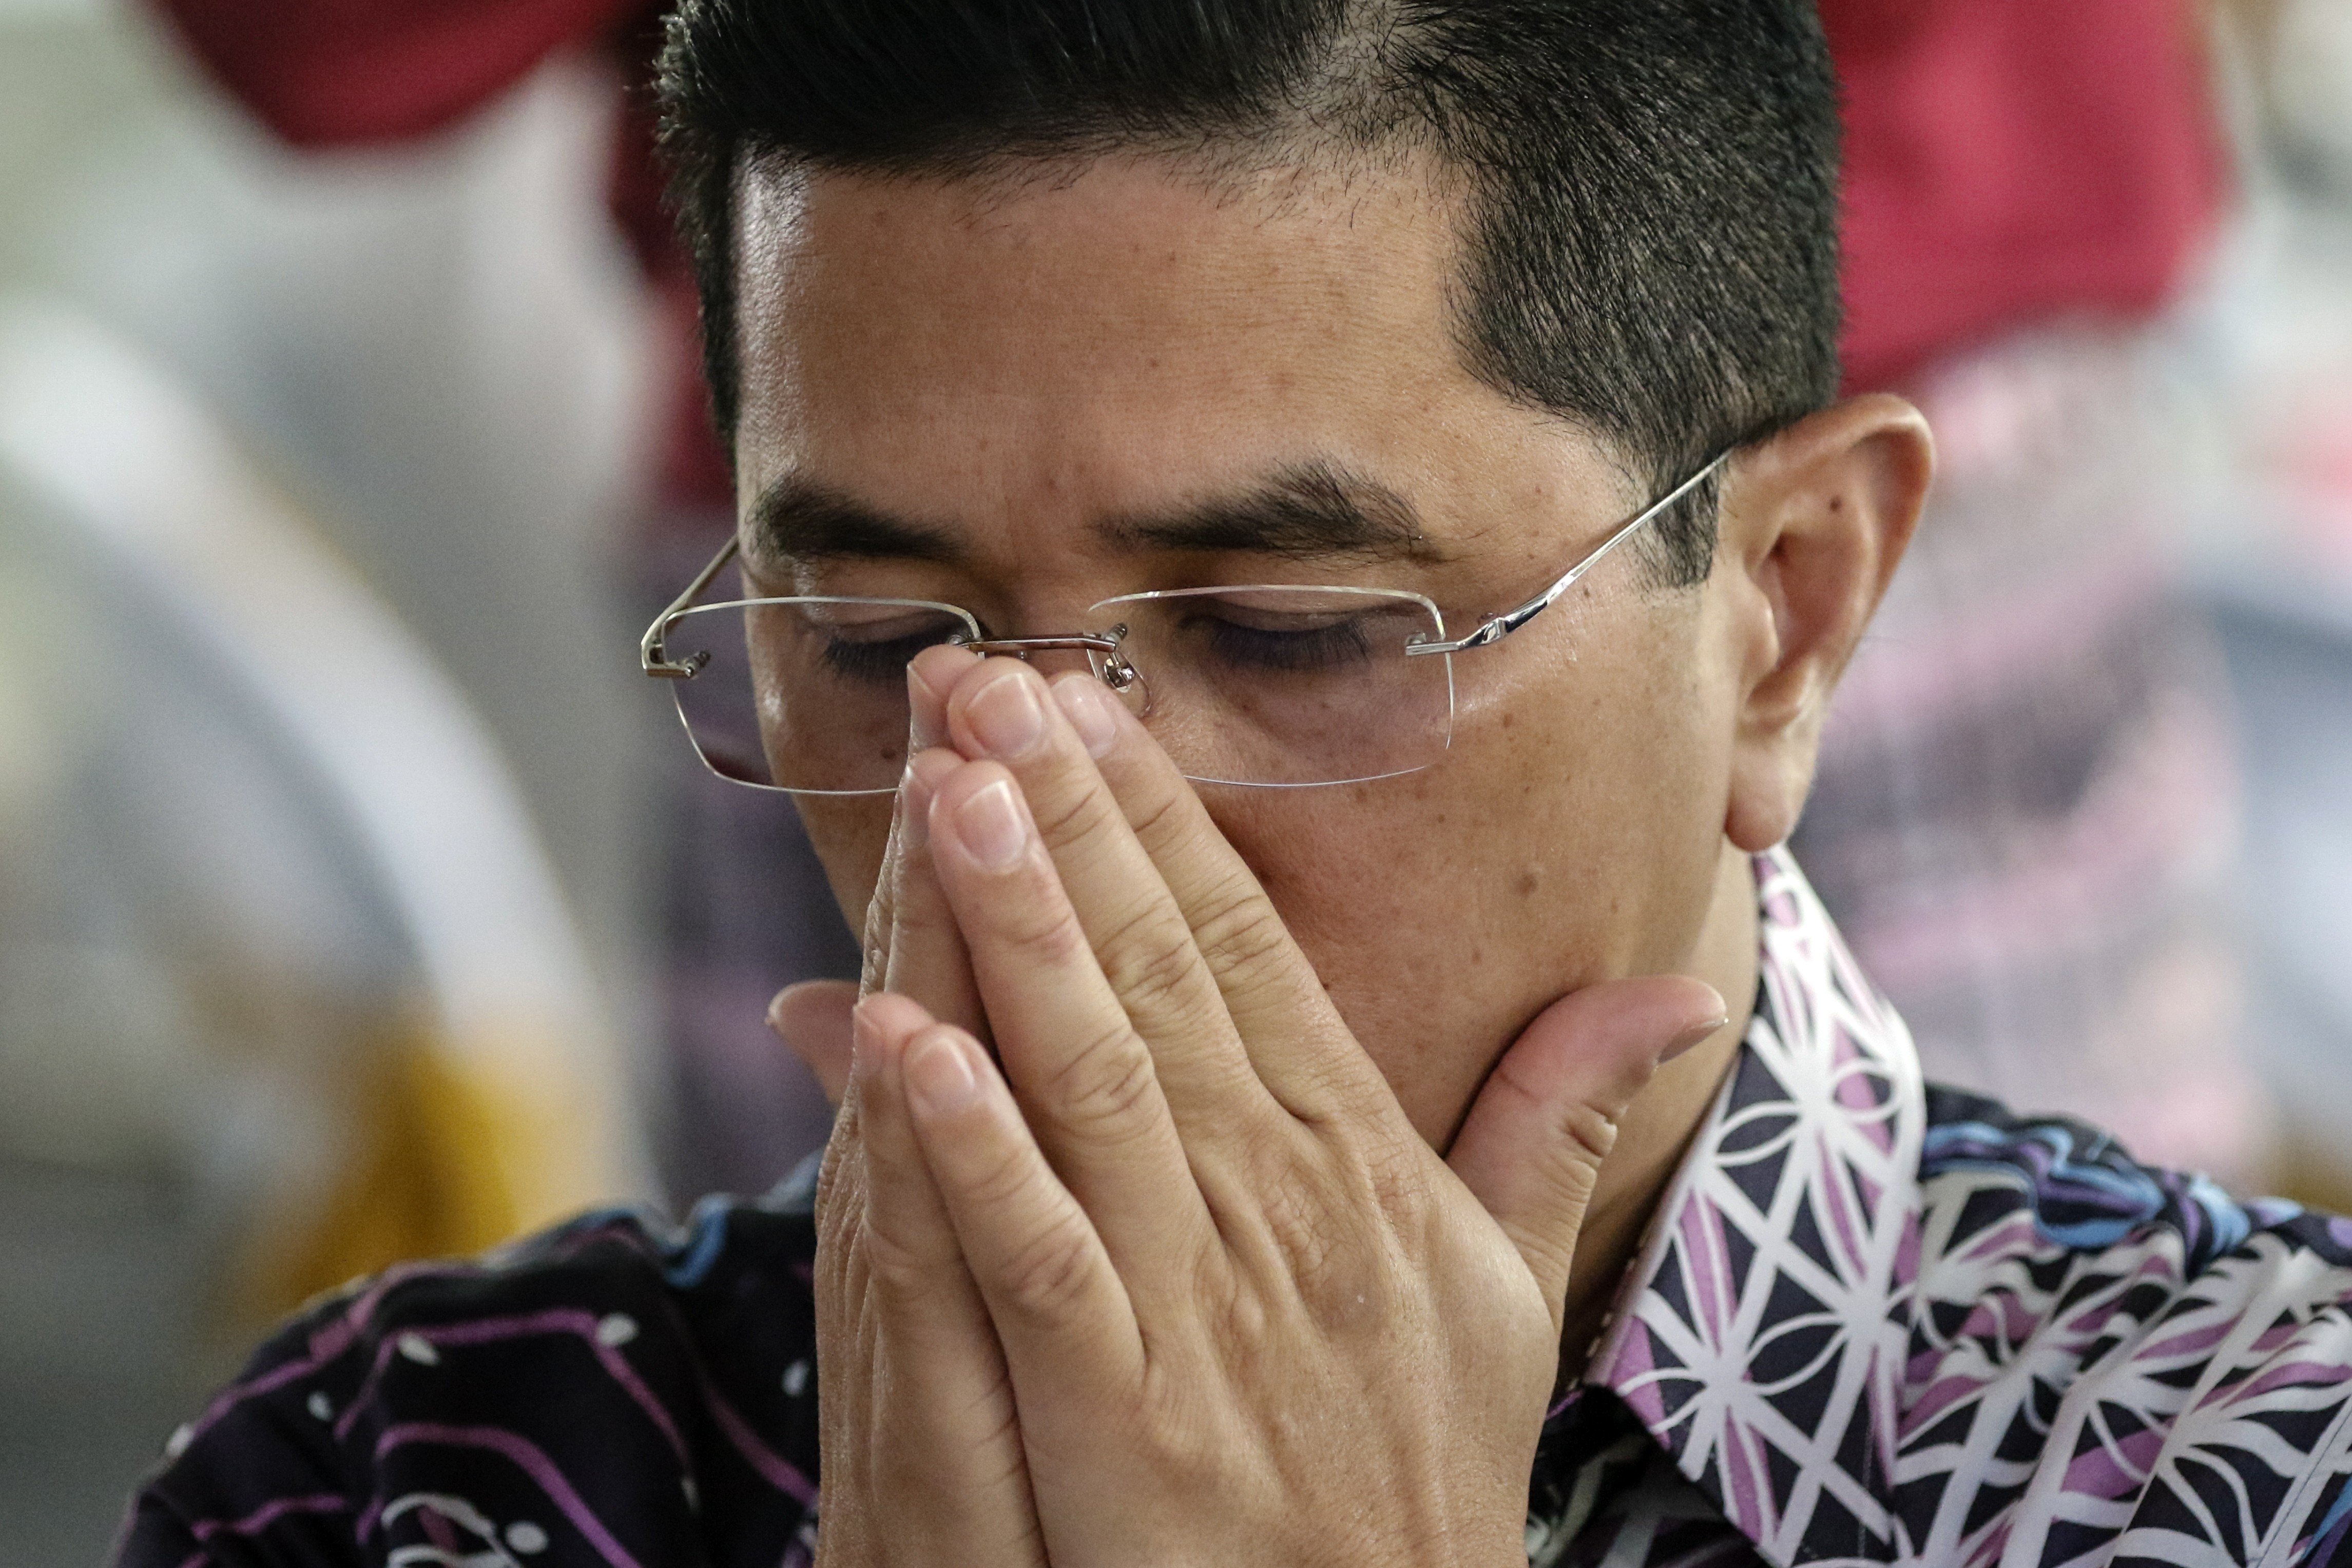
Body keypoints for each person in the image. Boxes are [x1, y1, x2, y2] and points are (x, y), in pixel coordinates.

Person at [115, 4, 2352, 1566]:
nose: (1036, 834)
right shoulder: (393, 1484)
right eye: (887, 653)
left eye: (1294, 638)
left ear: (1784, 607)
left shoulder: (2263, 1467)